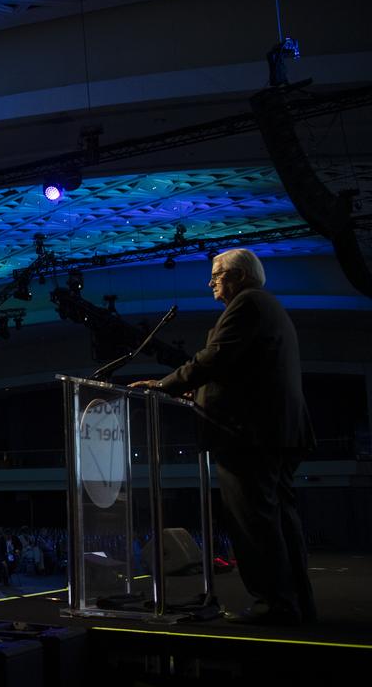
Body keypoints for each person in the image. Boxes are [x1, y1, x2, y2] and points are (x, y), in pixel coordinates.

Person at [131, 248, 315, 626]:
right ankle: (294, 601)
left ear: (241, 276)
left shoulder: (247, 305)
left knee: (254, 522)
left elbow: (214, 358)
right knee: (277, 520)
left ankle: (273, 605)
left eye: (217, 274)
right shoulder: (265, 306)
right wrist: (194, 393)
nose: (210, 281)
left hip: (249, 434)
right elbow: (241, 372)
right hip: (274, 431)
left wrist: (165, 384)